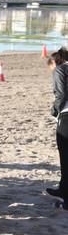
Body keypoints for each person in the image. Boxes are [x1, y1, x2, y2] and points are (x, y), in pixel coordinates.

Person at [44, 47, 68, 210]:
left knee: (65, 158)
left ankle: (66, 199)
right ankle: (63, 189)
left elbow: (61, 95)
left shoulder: (60, 70)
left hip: (67, 116)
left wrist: (54, 112)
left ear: (54, 61)